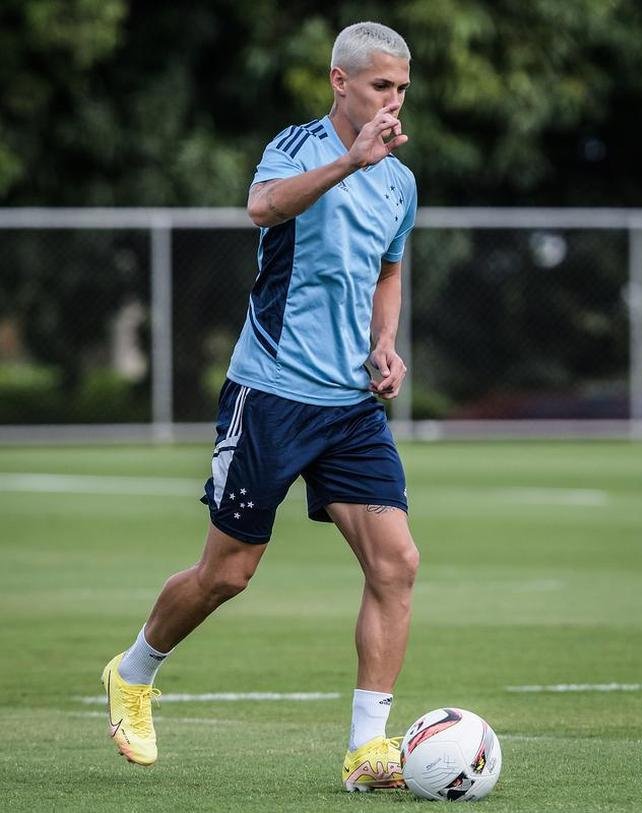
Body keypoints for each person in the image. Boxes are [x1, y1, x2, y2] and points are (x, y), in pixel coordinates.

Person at [102, 20, 419, 792]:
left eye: (403, 89)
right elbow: (263, 207)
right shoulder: (298, 147)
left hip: (349, 405)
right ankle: (133, 672)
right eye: (381, 85)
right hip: (271, 391)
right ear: (340, 81)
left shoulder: (400, 182)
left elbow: (389, 269)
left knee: (397, 562)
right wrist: (349, 161)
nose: (393, 101)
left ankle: (367, 750)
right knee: (228, 573)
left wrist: (384, 342)